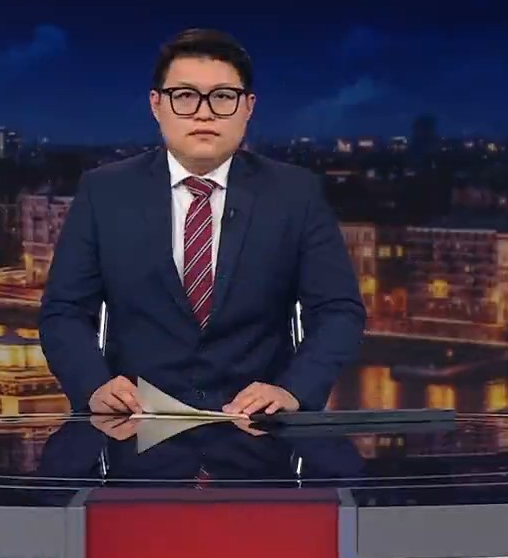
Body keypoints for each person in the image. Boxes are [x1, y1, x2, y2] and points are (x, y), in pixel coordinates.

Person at [38, 28, 366, 417]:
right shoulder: (104, 192)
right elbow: (64, 311)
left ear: (248, 107)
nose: (204, 112)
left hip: (259, 430)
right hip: (135, 427)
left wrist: (293, 390)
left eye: (223, 96)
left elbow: (338, 311)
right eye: (185, 96)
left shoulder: (296, 193)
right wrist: (93, 386)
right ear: (156, 104)